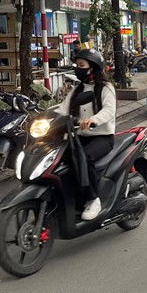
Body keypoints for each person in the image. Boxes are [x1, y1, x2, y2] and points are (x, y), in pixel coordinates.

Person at [59, 49, 117, 221]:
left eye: (82, 66)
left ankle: (93, 199)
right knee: (59, 158)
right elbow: (62, 109)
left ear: (93, 68)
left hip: (102, 137)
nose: (78, 69)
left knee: (85, 157)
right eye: (77, 65)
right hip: (78, 137)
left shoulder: (105, 88)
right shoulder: (77, 90)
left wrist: (93, 120)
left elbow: (109, 110)